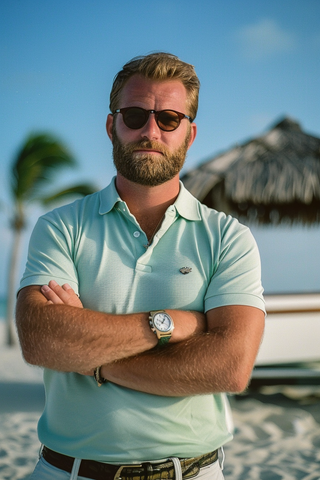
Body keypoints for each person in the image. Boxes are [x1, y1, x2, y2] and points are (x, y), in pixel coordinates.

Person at [16, 52, 265, 480]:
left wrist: (91, 360)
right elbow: (41, 340)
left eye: (169, 118)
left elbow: (230, 365)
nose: (150, 130)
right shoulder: (60, 227)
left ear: (190, 134)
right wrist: (175, 324)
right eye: (134, 115)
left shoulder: (228, 237)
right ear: (111, 125)